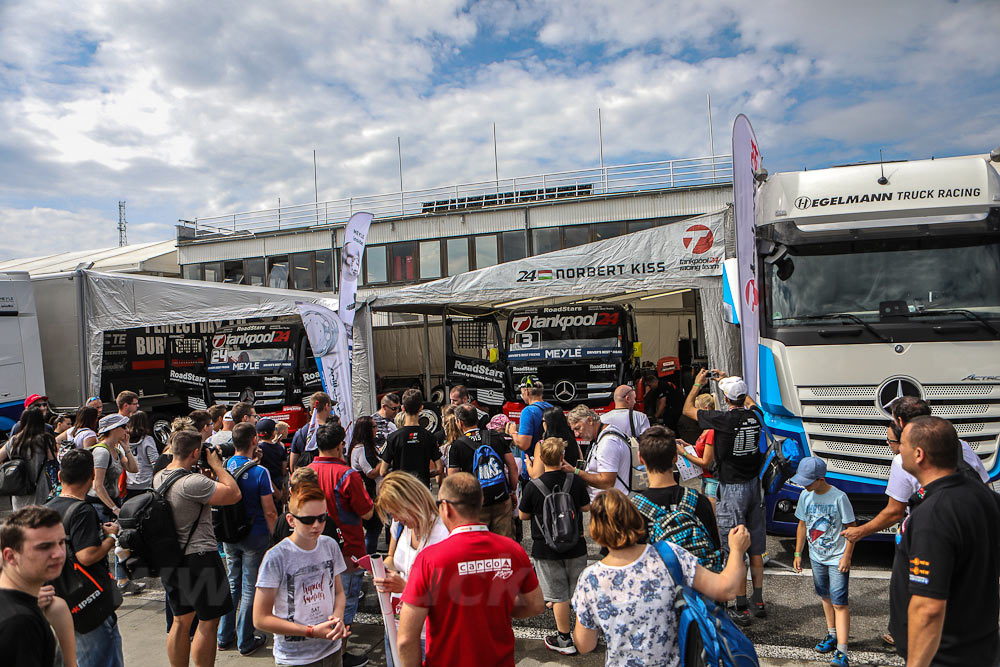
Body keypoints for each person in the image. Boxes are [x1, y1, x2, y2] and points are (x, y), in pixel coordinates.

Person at [572, 490, 752, 666]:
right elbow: (726, 589)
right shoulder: (668, 555)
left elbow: (585, 645)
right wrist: (736, 550)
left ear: (595, 530)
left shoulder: (590, 579)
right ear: (634, 518)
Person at [397, 473, 545, 666]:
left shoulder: (429, 559)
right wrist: (495, 607)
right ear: (481, 501)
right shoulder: (513, 550)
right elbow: (535, 604)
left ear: (446, 508)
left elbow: (406, 639)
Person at [888, 416, 1000, 667]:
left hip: (943, 657)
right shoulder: (983, 495)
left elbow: (928, 608)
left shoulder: (934, 514)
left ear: (919, 454)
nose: (897, 449)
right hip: (981, 648)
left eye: (901, 443)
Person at [681, 369, 765, 626]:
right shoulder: (755, 415)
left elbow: (687, 410)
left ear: (726, 399)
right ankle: (758, 599)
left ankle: (740, 605)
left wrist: (697, 384)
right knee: (756, 547)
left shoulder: (723, 420)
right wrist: (730, 382)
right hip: (755, 484)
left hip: (733, 487)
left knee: (735, 547)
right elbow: (749, 402)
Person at [155, 429, 241, 667]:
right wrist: (217, 466)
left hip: (172, 558)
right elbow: (234, 494)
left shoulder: (160, 476)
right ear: (196, 452)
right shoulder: (192, 482)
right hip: (200, 558)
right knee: (209, 620)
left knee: (181, 621)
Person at [253, 467, 349, 667]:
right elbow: (260, 619)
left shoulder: (330, 545)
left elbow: (339, 592)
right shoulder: (276, 557)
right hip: (294, 658)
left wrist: (337, 619)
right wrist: (310, 631)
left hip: (331, 650)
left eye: (322, 518)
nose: (316, 525)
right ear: (291, 520)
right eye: (308, 520)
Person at [46, 448, 125, 667]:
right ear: (92, 477)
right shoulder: (82, 511)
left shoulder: (46, 508)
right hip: (90, 605)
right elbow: (87, 556)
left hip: (62, 601)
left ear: (61, 477)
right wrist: (111, 537)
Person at [518, 437, 591, 655]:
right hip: (576, 543)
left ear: (541, 458)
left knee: (558, 595)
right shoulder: (574, 481)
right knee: (578, 592)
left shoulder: (534, 486)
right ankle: (583, 636)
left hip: (545, 547)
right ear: (562, 457)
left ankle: (564, 639)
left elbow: (523, 515)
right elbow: (585, 508)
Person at [310, 423, 375, 667]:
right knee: (344, 604)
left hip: (313, 549)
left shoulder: (306, 472)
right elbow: (367, 512)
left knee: (317, 601)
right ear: (340, 445)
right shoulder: (348, 475)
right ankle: (339, 655)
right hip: (347, 548)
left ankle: (327, 652)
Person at [373, 472, 451, 667]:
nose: (396, 518)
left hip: (431, 633)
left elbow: (452, 594)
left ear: (412, 502)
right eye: (391, 514)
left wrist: (406, 588)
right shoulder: (400, 527)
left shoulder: (445, 532)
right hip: (397, 625)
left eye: (397, 512)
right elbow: (394, 560)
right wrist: (381, 571)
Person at [218, 422, 279, 656]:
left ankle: (224, 636)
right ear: (254, 440)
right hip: (255, 535)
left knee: (233, 583)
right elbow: (270, 510)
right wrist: (276, 538)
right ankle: (245, 639)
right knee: (250, 588)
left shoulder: (223, 467)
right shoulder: (259, 472)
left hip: (229, 534)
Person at [790, 457, 856, 667]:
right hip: (816, 557)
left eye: (808, 481)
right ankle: (832, 634)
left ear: (821, 479)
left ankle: (842, 651)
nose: (804, 485)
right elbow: (802, 525)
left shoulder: (839, 497)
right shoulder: (805, 495)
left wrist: (847, 556)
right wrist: (798, 553)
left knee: (839, 603)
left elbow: (851, 528)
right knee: (825, 596)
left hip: (837, 558)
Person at [631, 426, 721, 555]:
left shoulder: (634, 508)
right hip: (694, 573)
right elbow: (713, 546)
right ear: (675, 457)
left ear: (640, 458)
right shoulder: (698, 501)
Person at [0, 506, 67, 667]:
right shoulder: (20, 623)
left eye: (62, 542)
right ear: (10, 556)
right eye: (44, 547)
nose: (58, 553)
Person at [448, 404, 518, 537]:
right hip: (501, 498)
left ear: (460, 422)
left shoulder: (457, 446)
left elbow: (452, 479)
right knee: (503, 543)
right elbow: (512, 466)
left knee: (480, 545)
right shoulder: (496, 436)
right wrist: (512, 490)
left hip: (475, 504)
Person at [378, 389, 443, 489]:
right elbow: (439, 468)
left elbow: (383, 471)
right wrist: (425, 474)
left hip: (401, 490)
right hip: (421, 489)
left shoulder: (393, 437)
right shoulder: (429, 436)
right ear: (421, 408)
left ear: (402, 408)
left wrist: (399, 477)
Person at [564, 405, 631, 501]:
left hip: (611, 506)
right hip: (609, 504)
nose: (576, 434)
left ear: (590, 420)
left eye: (578, 428)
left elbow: (607, 482)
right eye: (574, 430)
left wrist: (576, 472)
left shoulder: (608, 442)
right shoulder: (604, 436)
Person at [0, 407, 58, 509]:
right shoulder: (44, 439)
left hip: (18, 487)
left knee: (20, 519)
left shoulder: (14, 440)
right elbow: (52, 457)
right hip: (39, 488)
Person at [349, 416, 386, 554]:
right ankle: (368, 558)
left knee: (375, 526)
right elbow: (370, 472)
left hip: (371, 492)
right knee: (373, 526)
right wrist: (386, 460)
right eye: (374, 427)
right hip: (367, 494)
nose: (376, 429)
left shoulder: (366, 446)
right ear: (366, 430)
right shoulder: (360, 448)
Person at [504, 376, 552, 480]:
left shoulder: (528, 411)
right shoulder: (552, 408)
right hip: (551, 467)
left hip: (534, 470)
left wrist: (513, 432)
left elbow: (523, 444)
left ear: (526, 391)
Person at [678, 393, 720, 508]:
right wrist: (686, 445)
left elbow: (705, 462)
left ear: (706, 409)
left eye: (697, 410)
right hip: (705, 478)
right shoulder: (706, 429)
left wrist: (684, 453)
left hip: (712, 480)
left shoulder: (711, 431)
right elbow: (705, 450)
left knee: (713, 515)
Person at [291, 392, 336, 470]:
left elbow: (293, 464)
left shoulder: (299, 433)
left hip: (306, 478)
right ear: (326, 406)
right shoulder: (331, 431)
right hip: (326, 477)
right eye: (330, 407)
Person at [125, 410, 159, 499]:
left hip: (130, 483)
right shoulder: (147, 440)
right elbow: (155, 463)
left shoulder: (125, 441)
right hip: (146, 484)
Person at [256, 418, 288, 504]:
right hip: (278, 485)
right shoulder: (279, 448)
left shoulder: (257, 450)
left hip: (263, 488)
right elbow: (284, 469)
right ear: (274, 433)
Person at [372, 393, 400, 458]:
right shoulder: (372, 422)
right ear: (384, 407)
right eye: (394, 409)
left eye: (398, 408)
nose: (397, 411)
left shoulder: (398, 420)